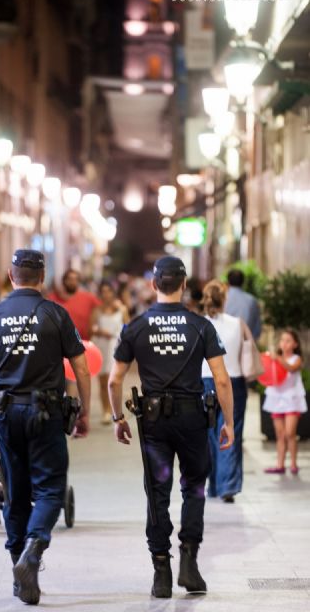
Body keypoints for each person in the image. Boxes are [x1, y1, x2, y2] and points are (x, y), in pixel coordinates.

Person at [108, 256, 234, 599]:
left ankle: (161, 571)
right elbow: (221, 380)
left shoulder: (135, 327)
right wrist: (229, 424)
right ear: (183, 284)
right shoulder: (201, 326)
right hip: (192, 418)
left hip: (153, 422)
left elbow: (114, 379)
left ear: (153, 285)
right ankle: (189, 562)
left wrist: (118, 418)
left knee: (157, 492)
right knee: (194, 486)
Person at [0, 249, 91, 606]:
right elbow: (81, 368)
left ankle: (18, 570)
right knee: (51, 489)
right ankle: (34, 549)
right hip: (47, 413)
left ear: (11, 276)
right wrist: (84, 411)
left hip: (6, 415)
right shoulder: (55, 313)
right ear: (42, 277)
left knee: (14, 492)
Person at [201, 280, 248, 503]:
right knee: (231, 430)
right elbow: (249, 349)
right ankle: (227, 485)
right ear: (225, 298)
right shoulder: (238, 324)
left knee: (208, 434)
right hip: (234, 381)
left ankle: (211, 485)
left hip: (204, 382)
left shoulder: (199, 324)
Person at [262, 329, 307, 474]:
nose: (284, 344)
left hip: (292, 399)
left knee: (290, 433)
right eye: (282, 340)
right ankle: (280, 464)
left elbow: (292, 368)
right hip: (277, 399)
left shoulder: (296, 359)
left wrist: (278, 358)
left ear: (294, 344)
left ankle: (293, 464)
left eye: (288, 341)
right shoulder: (274, 359)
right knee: (280, 435)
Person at [90, 281, 129, 424]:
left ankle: (114, 409)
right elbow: (91, 329)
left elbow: (128, 328)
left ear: (113, 293)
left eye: (109, 291)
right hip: (101, 346)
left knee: (114, 380)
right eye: (103, 291)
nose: (106, 294)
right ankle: (105, 410)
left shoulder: (121, 309)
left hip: (116, 347)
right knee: (102, 381)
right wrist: (99, 331)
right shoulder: (96, 310)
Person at [48, 268, 100, 340]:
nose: (72, 282)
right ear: (64, 281)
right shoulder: (52, 297)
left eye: (76, 280)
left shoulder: (89, 298)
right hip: (60, 342)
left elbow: (101, 308)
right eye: (70, 279)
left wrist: (93, 326)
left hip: (83, 342)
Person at [225, 269, 261, 340]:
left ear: (228, 282)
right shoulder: (252, 300)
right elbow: (257, 329)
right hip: (245, 344)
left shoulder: (222, 298)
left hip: (224, 345)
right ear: (243, 282)